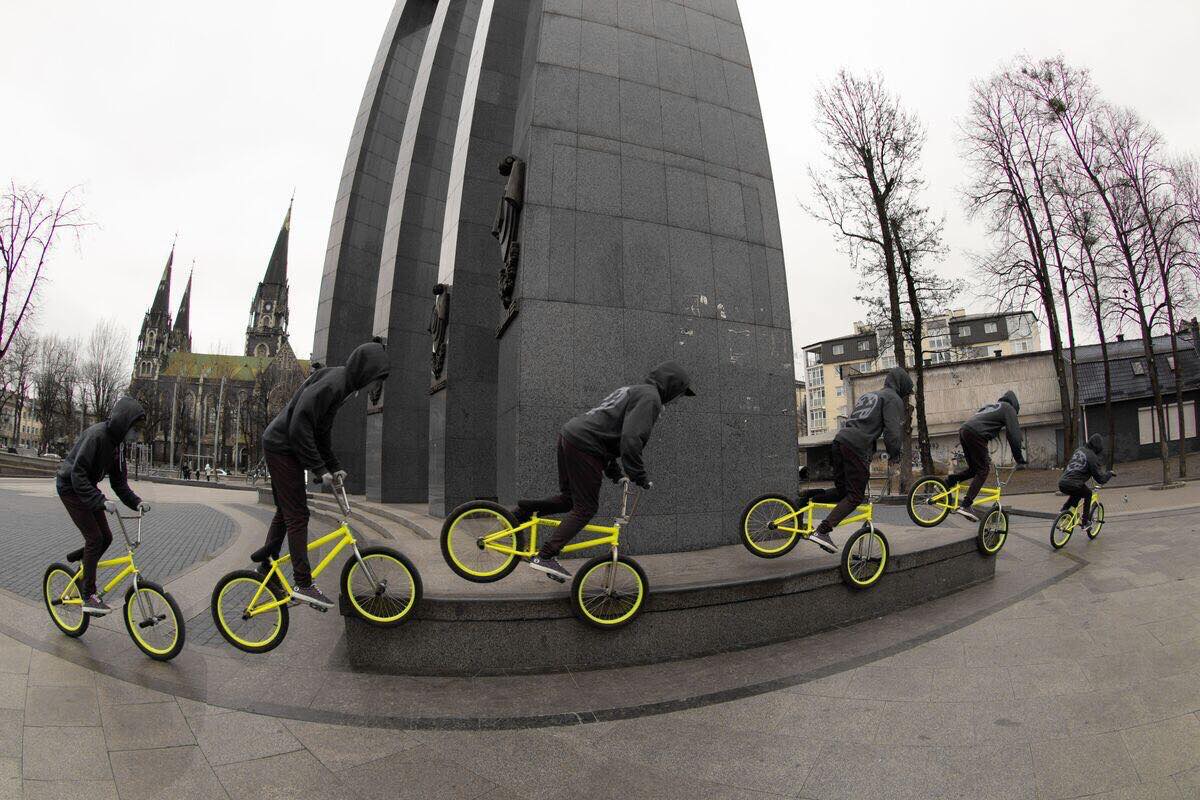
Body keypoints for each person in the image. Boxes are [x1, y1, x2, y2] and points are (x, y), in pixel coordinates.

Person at [514, 361, 696, 580]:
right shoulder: (650, 398)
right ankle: (545, 555)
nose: (677, 400)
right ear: (672, 386)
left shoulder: (635, 390)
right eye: (680, 394)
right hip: (585, 444)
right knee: (586, 508)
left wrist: (616, 474)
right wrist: (639, 475)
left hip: (572, 436)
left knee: (570, 500)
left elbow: (606, 433)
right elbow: (631, 439)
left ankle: (524, 511)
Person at [251, 340, 390, 608]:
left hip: (284, 445)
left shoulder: (342, 385)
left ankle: (266, 565)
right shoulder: (334, 385)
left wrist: (333, 465)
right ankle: (303, 583)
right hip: (282, 447)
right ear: (366, 371)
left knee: (286, 511)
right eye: (376, 380)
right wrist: (319, 468)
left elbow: (321, 430)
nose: (375, 387)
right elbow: (299, 426)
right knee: (298, 514)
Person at [798, 367, 913, 554]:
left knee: (843, 492)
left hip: (839, 441)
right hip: (856, 446)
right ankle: (823, 531)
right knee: (855, 497)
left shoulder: (870, 396)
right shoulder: (893, 398)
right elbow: (892, 431)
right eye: (906, 393)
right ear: (901, 387)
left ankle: (806, 498)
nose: (905, 397)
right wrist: (894, 454)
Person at [55, 397, 151, 615]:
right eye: (135, 430)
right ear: (123, 424)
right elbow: (78, 474)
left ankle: (83, 561)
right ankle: (88, 595)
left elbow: (119, 484)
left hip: (86, 488)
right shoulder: (96, 436)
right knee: (95, 538)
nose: (136, 436)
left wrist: (137, 502)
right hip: (70, 487)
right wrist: (100, 501)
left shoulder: (118, 447)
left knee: (106, 537)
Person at [946, 390, 1027, 522]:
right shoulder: (1009, 409)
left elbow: (981, 425)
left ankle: (948, 482)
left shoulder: (991, 407)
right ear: (1015, 405)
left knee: (974, 469)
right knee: (983, 470)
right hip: (976, 434)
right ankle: (966, 505)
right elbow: (1014, 435)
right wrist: (1020, 460)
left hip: (964, 430)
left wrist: (985, 455)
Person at [1059, 433, 1114, 534]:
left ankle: (1064, 510)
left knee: (1077, 493)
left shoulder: (1078, 450)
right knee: (1088, 493)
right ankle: (1085, 522)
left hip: (1062, 482)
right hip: (1074, 483)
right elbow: (1100, 479)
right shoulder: (1092, 457)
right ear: (1097, 447)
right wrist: (1109, 474)